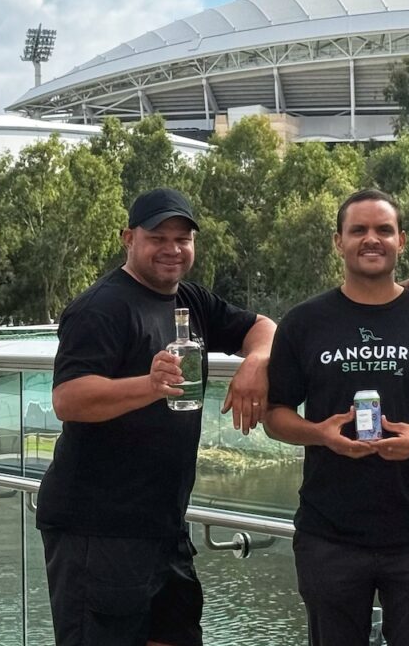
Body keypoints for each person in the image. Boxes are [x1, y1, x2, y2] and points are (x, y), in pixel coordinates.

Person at [36, 187, 276, 646]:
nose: (172, 249)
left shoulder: (190, 300)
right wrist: (149, 385)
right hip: (98, 529)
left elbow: (262, 327)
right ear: (129, 238)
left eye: (182, 239)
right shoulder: (101, 308)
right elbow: (69, 398)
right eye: (157, 238)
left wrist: (257, 361)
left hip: (164, 527)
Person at [264, 189, 409, 646]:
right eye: (358, 230)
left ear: (401, 240)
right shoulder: (304, 322)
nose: (372, 239)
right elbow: (275, 416)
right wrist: (319, 434)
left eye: (384, 230)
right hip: (329, 534)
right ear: (338, 242)